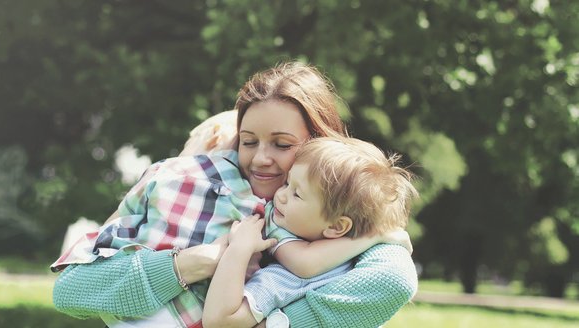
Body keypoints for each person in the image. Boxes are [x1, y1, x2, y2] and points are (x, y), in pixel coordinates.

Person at [52, 61, 418, 327]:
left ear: (318, 146)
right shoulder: (187, 183)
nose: (261, 159)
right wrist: (193, 262)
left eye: (282, 144)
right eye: (248, 141)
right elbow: (70, 291)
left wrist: (377, 235)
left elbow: (393, 281)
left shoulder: (356, 222)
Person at [203, 136, 419, 328]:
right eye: (287, 183)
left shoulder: (291, 278)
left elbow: (220, 321)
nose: (281, 195)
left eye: (297, 194)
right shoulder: (352, 266)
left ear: (336, 227)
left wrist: (239, 248)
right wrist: (376, 236)